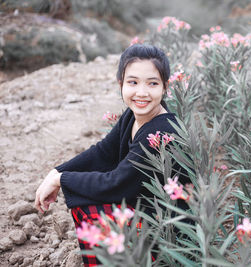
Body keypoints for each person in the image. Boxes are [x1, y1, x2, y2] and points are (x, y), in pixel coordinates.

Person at [35, 44, 184, 266]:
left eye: (152, 83)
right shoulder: (133, 116)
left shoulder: (161, 131)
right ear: (120, 84)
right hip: (149, 217)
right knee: (85, 200)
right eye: (133, 82)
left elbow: (115, 183)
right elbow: (103, 152)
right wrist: (55, 172)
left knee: (90, 205)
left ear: (165, 87)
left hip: (168, 238)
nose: (141, 92)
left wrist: (61, 179)